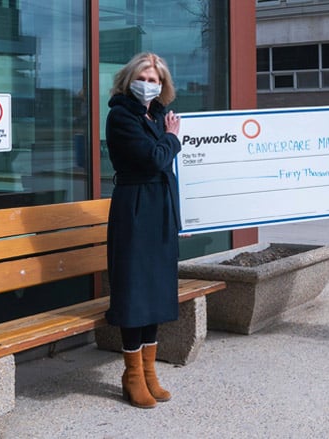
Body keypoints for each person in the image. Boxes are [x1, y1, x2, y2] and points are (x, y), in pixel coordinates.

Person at [104, 52, 182, 408]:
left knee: (156, 291)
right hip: (135, 208)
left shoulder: (157, 114)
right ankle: (132, 374)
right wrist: (173, 139)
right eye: (144, 77)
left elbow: (164, 167)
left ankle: (150, 372)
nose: (149, 84)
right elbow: (154, 159)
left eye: (155, 80)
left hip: (159, 209)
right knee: (135, 291)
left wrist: (178, 219)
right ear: (129, 77)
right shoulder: (121, 114)